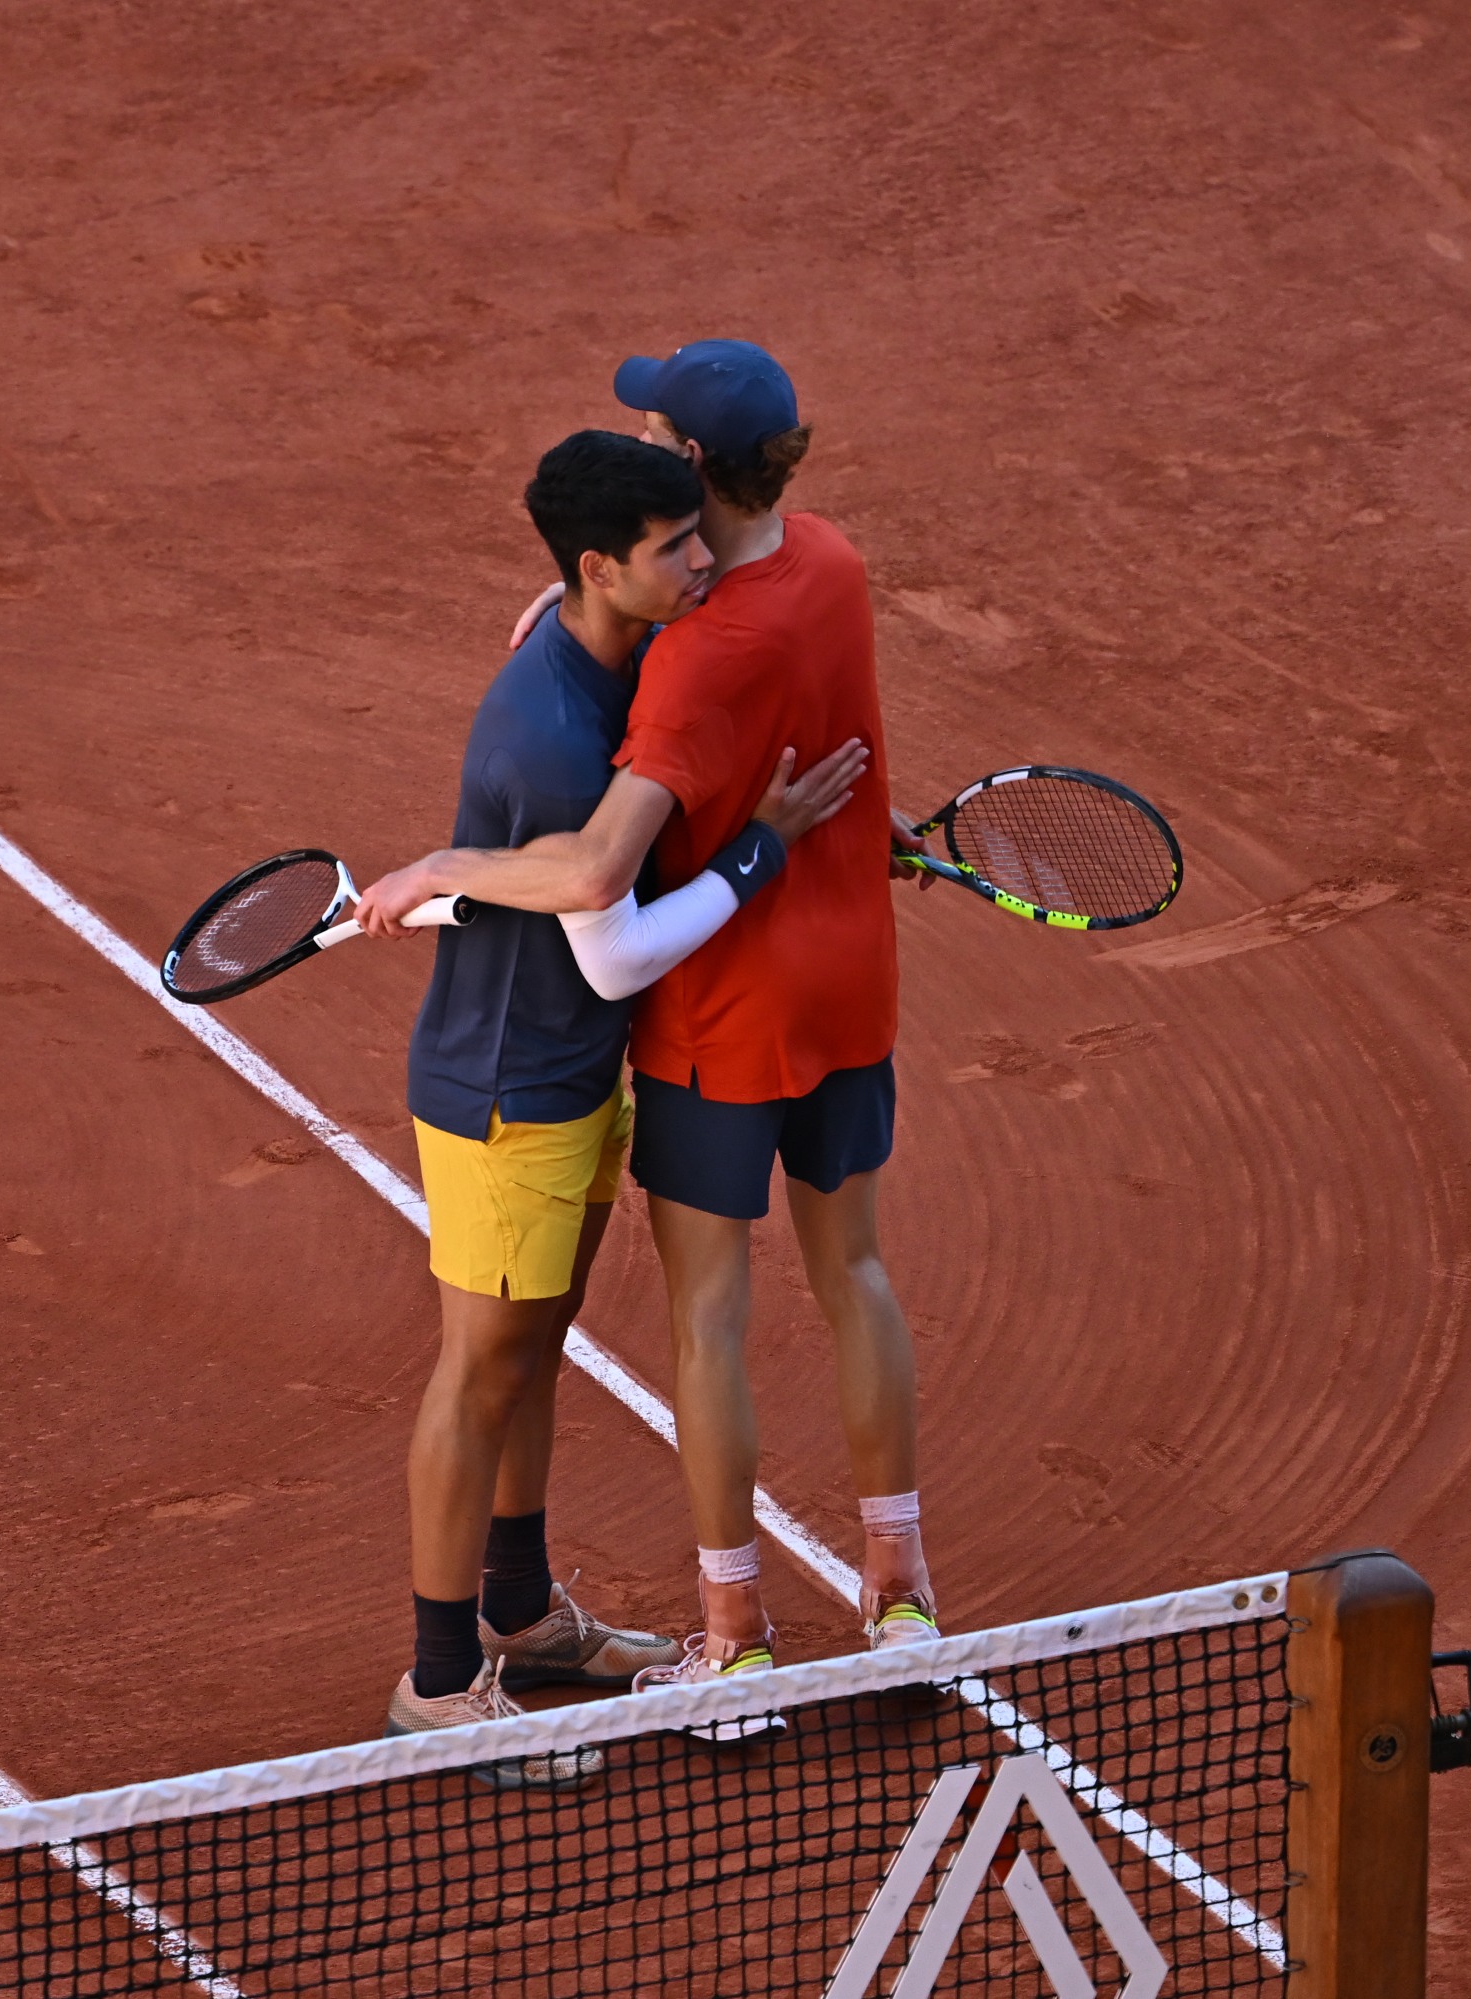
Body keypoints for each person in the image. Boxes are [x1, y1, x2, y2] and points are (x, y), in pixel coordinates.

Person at [358, 342, 941, 1704]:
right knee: (510, 1359)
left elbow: (619, 852)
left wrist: (445, 860)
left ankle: (625, 1620)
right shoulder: (821, 574)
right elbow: (614, 897)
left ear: (691, 473)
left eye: (686, 528)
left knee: (621, 1335)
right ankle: (445, 1683)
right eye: (654, 554)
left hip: (659, 1043)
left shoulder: (668, 645)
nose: (686, 561)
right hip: (671, 1035)